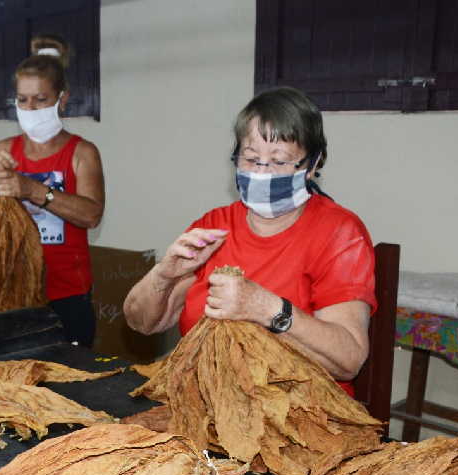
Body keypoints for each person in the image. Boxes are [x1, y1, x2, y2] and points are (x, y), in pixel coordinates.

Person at [123, 87, 376, 394]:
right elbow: (141, 322)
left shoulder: (339, 233)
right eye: (251, 158)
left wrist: (264, 308)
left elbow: (349, 360)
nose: (262, 173)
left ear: (311, 165)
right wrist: (164, 274)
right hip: (211, 398)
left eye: (279, 161)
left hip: (302, 413)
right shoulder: (214, 227)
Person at [0, 35, 105, 347]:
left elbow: (91, 214)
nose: (30, 108)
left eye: (40, 99)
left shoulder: (82, 152)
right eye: (22, 100)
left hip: (66, 293)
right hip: (12, 288)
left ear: (62, 99)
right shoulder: (6, 148)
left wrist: (33, 190)